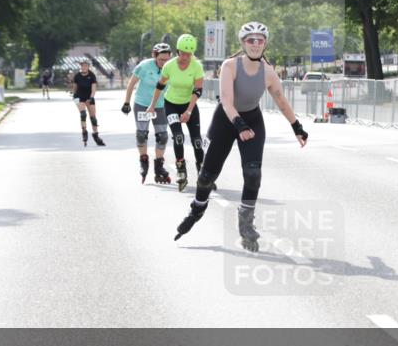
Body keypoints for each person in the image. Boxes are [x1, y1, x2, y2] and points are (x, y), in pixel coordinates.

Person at [174, 21, 309, 251]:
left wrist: (297, 126)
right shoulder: (230, 65)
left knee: (253, 172)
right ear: (243, 43)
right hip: (226, 121)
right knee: (207, 176)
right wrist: (238, 124)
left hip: (252, 120)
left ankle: (246, 223)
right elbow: (226, 100)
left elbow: (281, 101)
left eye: (260, 40)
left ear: (265, 43)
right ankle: (197, 208)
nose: (256, 44)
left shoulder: (268, 72)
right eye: (250, 40)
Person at [146, 34, 206, 191]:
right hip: (171, 104)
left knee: (197, 141)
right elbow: (160, 86)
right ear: (178, 51)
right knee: (178, 137)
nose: (186, 57)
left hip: (189, 104)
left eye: (189, 54)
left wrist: (189, 111)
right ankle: (181, 171)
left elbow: (198, 90)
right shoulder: (169, 66)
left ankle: (203, 174)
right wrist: (152, 105)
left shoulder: (197, 66)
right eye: (183, 53)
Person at [123, 43, 173, 183]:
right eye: (161, 60)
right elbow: (131, 84)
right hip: (142, 104)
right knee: (141, 134)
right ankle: (144, 161)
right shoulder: (144, 66)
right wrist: (126, 102)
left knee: (162, 136)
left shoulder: (171, 68)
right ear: (154, 56)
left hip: (161, 105)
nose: (164, 63)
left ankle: (159, 166)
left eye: (167, 60)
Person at [72, 59, 104, 146]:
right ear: (81, 66)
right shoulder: (77, 76)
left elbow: (94, 88)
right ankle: (84, 132)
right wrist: (74, 96)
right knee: (83, 114)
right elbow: (75, 88)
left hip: (89, 97)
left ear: (88, 67)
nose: (84, 67)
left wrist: (91, 97)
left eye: (86, 65)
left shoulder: (92, 75)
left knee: (93, 118)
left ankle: (96, 135)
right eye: (83, 65)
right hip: (79, 97)